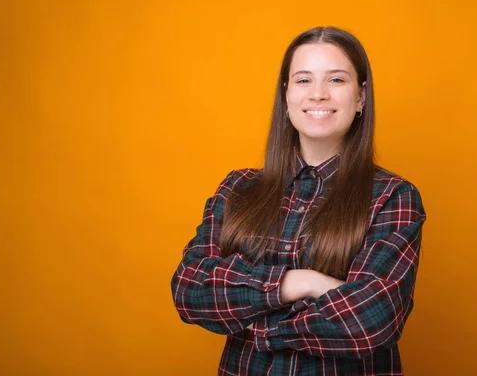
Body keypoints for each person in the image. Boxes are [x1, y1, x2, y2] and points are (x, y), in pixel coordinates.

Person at [170, 26, 426, 376]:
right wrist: (302, 282)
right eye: (304, 80)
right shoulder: (238, 188)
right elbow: (190, 288)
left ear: (361, 97)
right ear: (287, 94)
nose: (318, 94)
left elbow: (371, 318)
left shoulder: (393, 196)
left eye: (336, 80)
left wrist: (258, 326)